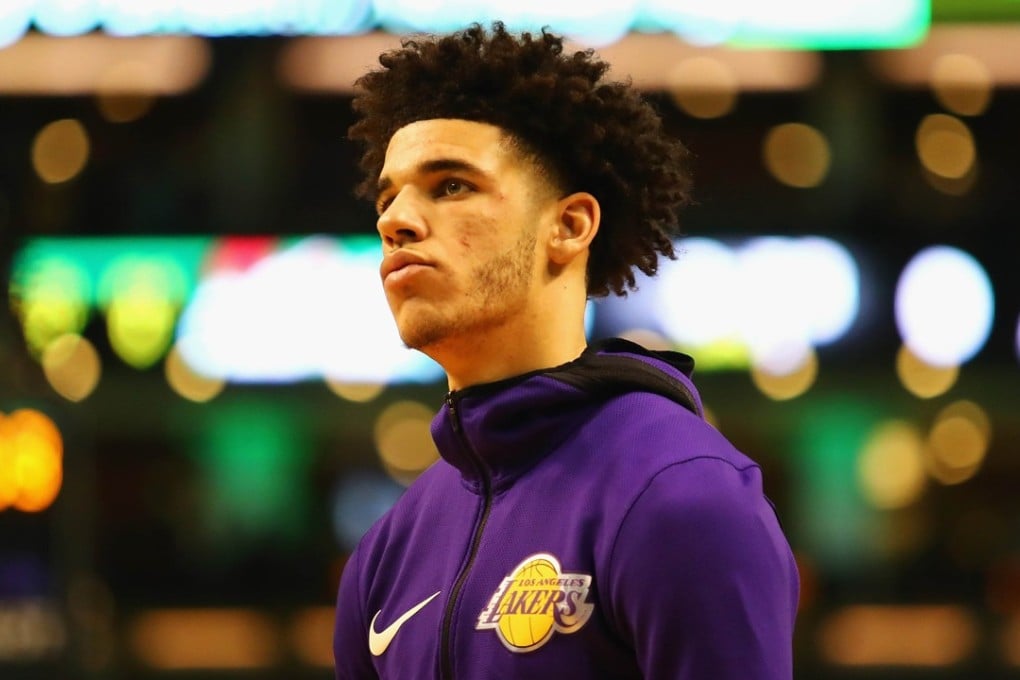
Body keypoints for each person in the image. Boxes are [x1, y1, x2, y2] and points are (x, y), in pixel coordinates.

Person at [334, 22, 798, 679]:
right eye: (389, 197)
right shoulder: (386, 552)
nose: (395, 220)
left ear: (569, 225)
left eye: (451, 186)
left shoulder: (681, 494)